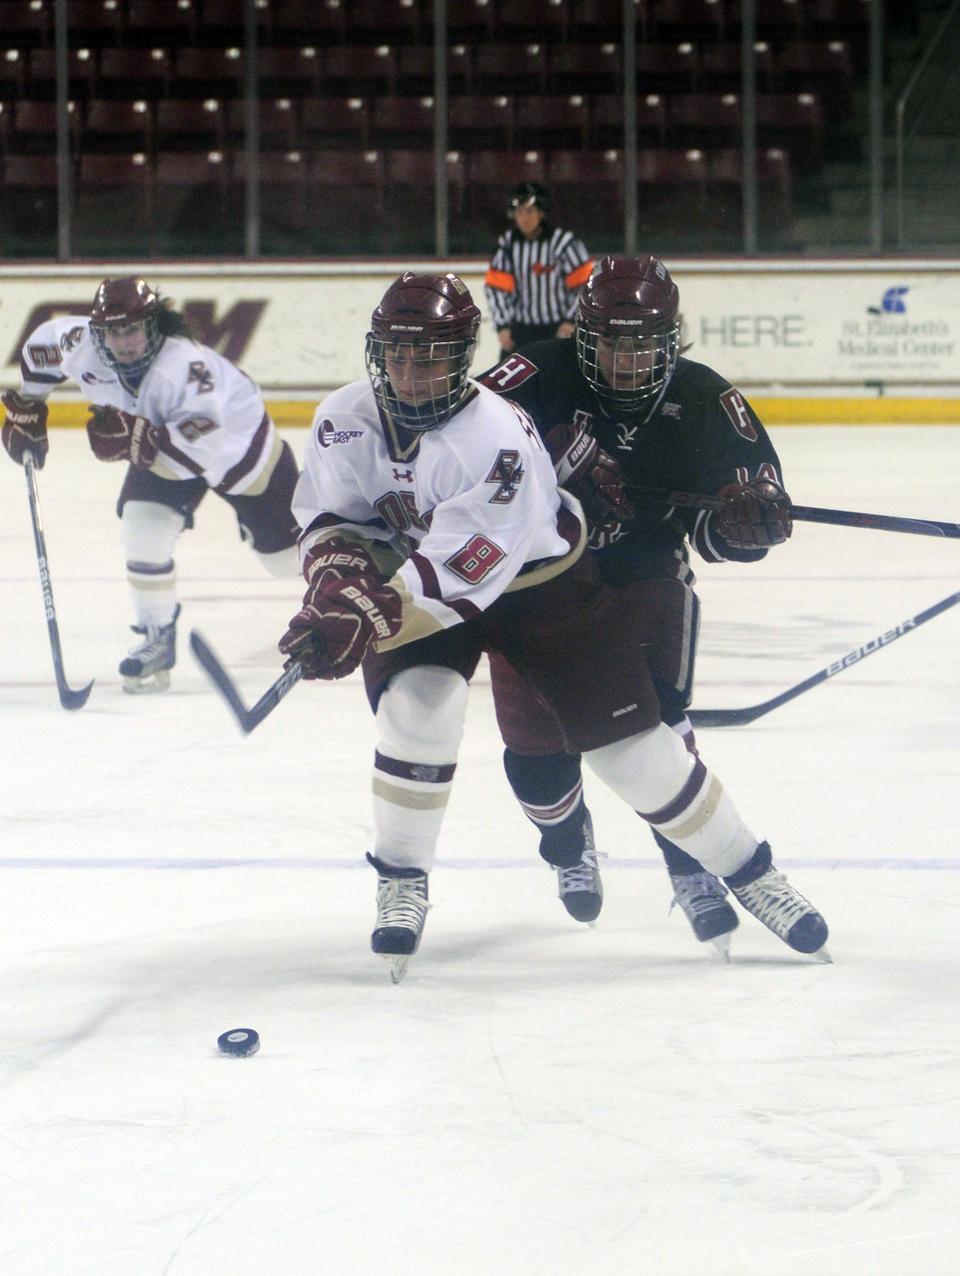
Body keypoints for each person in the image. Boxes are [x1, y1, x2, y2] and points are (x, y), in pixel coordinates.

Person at [277, 269, 828, 981]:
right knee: (419, 710)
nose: (410, 376)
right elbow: (329, 518)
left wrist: (369, 610)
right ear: (374, 353)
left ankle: (751, 873)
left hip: (538, 583)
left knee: (631, 752)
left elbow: (469, 565)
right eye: (397, 356)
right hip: (427, 583)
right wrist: (333, 579)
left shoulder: (494, 436)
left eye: (430, 358)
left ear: (461, 357)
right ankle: (402, 879)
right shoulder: (341, 418)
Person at [479, 252, 806, 955]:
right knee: (538, 757)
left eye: (643, 346)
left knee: (660, 726)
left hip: (643, 576)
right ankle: (567, 842)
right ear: (582, 335)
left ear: (672, 338)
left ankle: (690, 864)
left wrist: (744, 524)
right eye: (610, 344)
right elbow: (450, 461)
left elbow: (734, 524)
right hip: (538, 588)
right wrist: (546, 482)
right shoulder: (533, 376)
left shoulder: (708, 399)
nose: (626, 364)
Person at [1, 275, 300, 692]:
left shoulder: (187, 369)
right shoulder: (81, 344)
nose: (124, 341)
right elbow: (41, 349)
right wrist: (30, 404)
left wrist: (137, 442)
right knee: (142, 530)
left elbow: (204, 453)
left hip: (240, 450)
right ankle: (157, 637)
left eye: (133, 329)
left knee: (287, 562)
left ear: (153, 325)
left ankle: (368, 587)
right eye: (113, 331)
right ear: (97, 331)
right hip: (159, 444)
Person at [484, 181, 593, 358]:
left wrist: (571, 321)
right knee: (504, 382)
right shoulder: (507, 245)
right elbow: (496, 289)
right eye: (519, 212)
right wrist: (502, 326)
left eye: (529, 211)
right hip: (519, 332)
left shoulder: (563, 244)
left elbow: (585, 284)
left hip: (557, 329)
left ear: (541, 213)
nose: (524, 218)